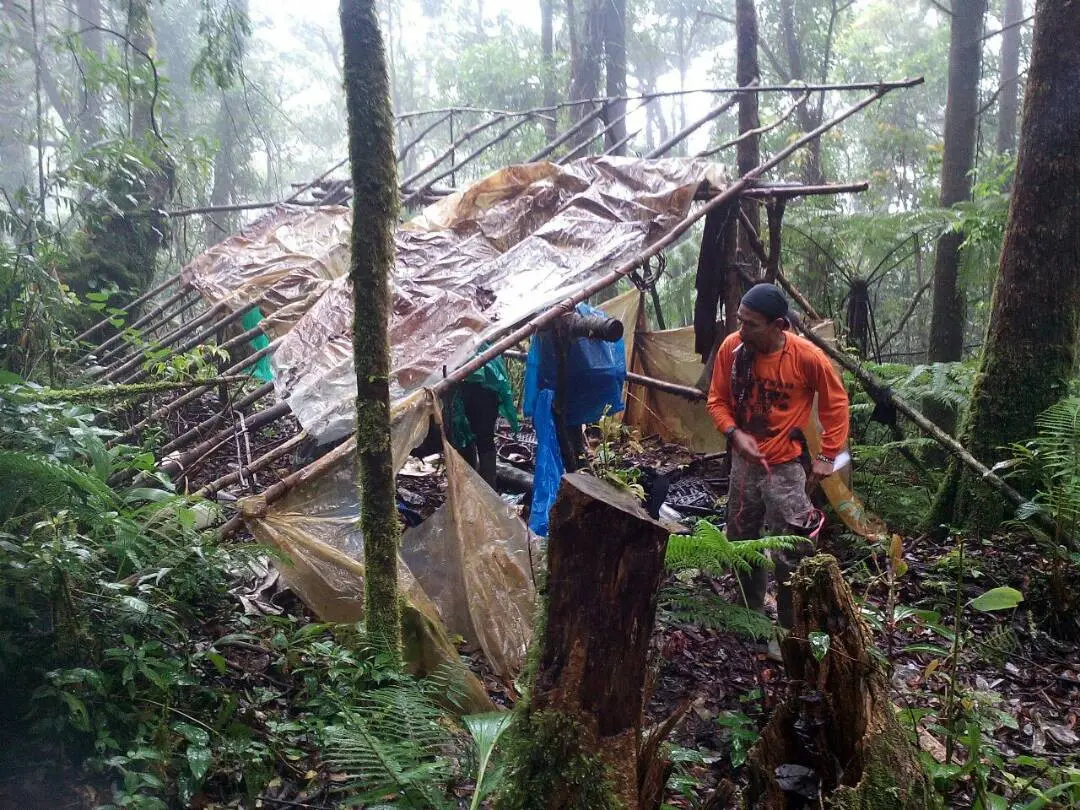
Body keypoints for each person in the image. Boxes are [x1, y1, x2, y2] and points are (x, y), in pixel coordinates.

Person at [706, 283, 849, 638]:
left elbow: (836, 404)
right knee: (741, 539)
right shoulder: (732, 350)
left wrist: (828, 455)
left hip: (786, 467)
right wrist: (735, 435)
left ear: (779, 325)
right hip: (744, 464)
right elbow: (717, 400)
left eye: (751, 324)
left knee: (793, 550)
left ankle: (791, 630)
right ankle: (749, 617)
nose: (741, 330)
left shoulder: (806, 357)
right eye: (739, 320)